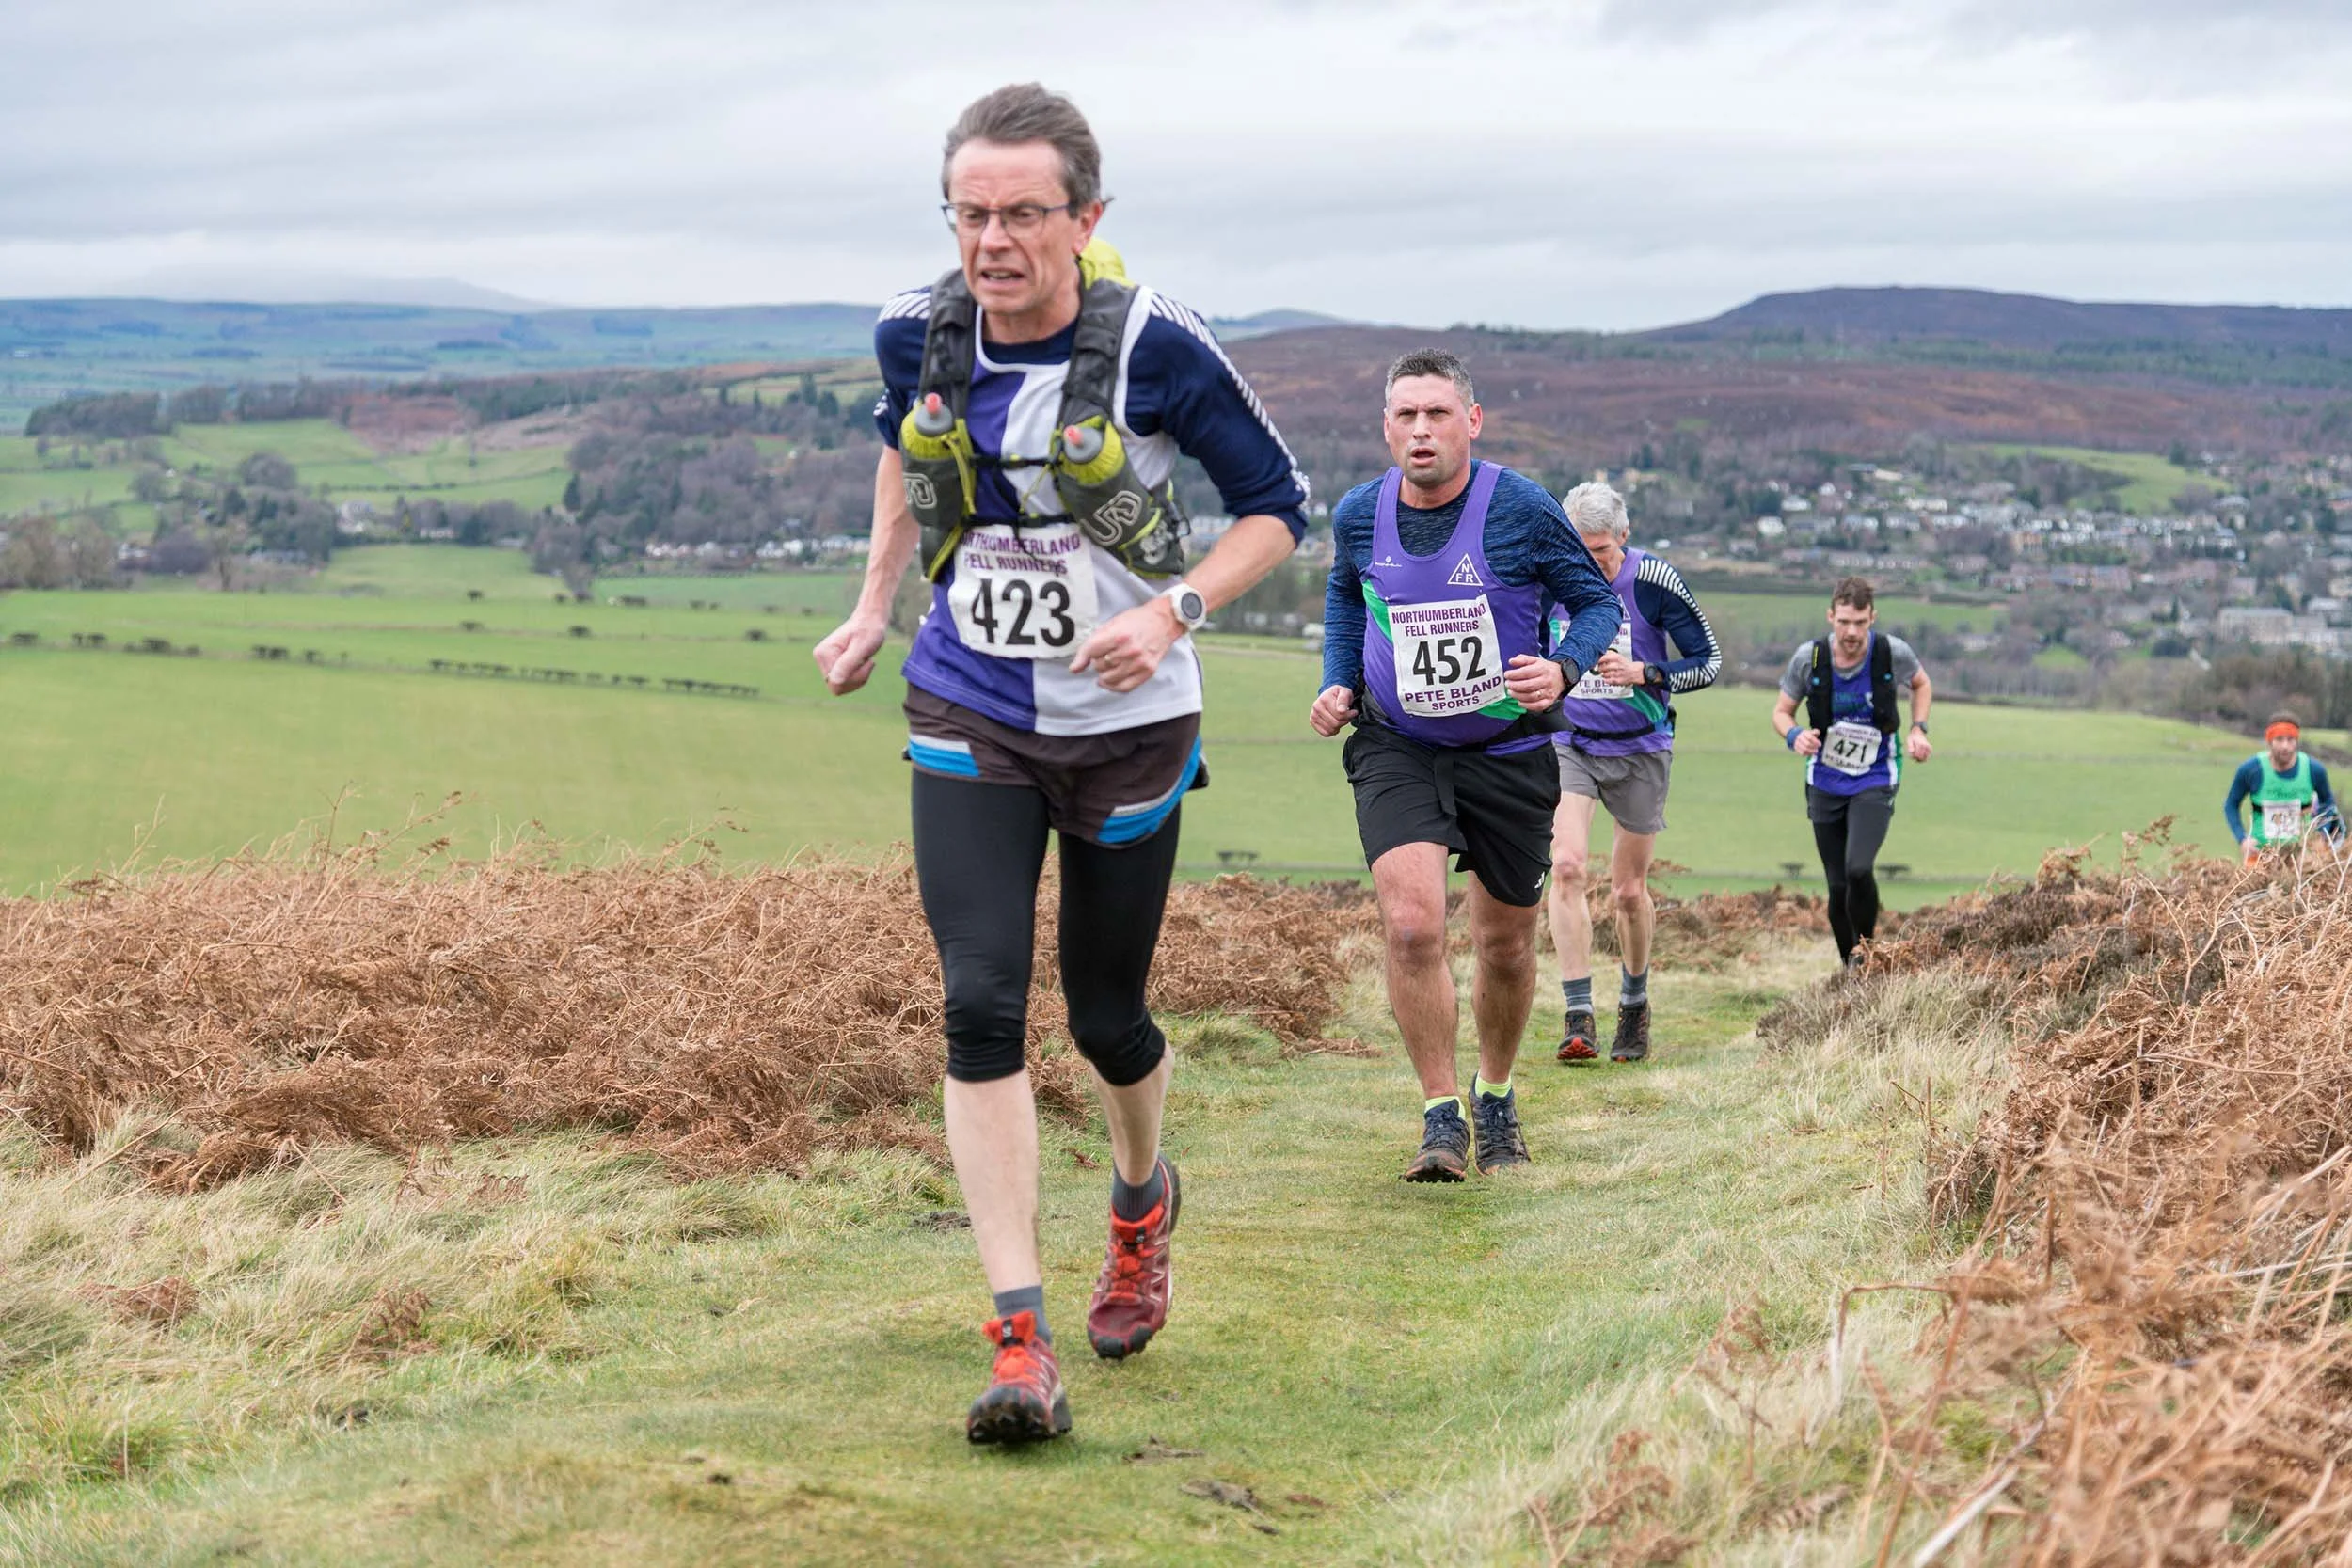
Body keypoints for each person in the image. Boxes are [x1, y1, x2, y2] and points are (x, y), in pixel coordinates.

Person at [812, 83, 1310, 1446]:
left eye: (1024, 213)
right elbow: (902, 461)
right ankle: (1019, 1335)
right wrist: (872, 605)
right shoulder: (916, 333)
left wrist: (1173, 608)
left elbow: (1282, 508)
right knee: (978, 1002)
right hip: (970, 699)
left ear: (1087, 218)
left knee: (1105, 1015)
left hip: (1130, 722)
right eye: (970, 213)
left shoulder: (1159, 346)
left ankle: (1142, 1199)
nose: (993, 240)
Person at [1311, 348, 1617, 1181]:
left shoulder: (1521, 508)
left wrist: (1562, 668)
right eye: (1405, 415)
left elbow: (1595, 602)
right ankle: (1441, 1116)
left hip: (1508, 749)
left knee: (1507, 945)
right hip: (1397, 744)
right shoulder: (1356, 514)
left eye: (1437, 414)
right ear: (1386, 426)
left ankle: (1496, 1094)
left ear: (1471, 422)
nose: (1421, 430)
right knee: (1412, 925)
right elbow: (1346, 591)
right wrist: (1339, 678)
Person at [1543, 481, 1720, 1066]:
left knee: (1627, 891)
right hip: (1570, 740)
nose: (1587, 562)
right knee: (1566, 866)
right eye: (1577, 547)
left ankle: (1635, 1003)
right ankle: (1577, 1014)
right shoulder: (1548, 576)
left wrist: (1644, 672)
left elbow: (1709, 663)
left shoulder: (1653, 581)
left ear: (1623, 537)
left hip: (1641, 745)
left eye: (1598, 551)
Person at [1768, 578, 1932, 966]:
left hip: (1876, 776)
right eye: (1844, 621)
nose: (1852, 632)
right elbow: (1780, 711)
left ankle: (1868, 952)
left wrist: (1917, 728)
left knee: (1858, 868)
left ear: (1872, 618)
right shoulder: (1808, 659)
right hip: (1824, 780)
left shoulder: (1892, 652)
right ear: (1831, 617)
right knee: (1837, 885)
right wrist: (1794, 736)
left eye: (1860, 622)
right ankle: (1852, 968)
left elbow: (1921, 684)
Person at [2226, 710, 2344, 862]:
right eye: (2279, 740)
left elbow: (2328, 802)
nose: (2285, 746)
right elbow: (2231, 804)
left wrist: (2323, 834)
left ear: (2297, 741)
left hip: (2302, 857)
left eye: (2290, 740)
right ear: (2269, 741)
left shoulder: (2314, 770)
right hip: (2260, 855)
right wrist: (2242, 839)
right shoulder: (2251, 770)